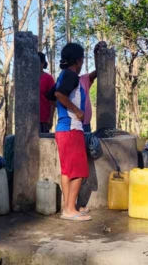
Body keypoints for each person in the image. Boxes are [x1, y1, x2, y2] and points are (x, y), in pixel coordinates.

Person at [53, 43, 92, 221]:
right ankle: (70, 209)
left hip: (62, 129)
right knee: (79, 170)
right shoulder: (72, 75)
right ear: (78, 60)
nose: (83, 63)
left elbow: (51, 94)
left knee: (67, 170)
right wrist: (76, 110)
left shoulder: (62, 75)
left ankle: (68, 207)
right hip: (71, 128)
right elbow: (60, 95)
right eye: (82, 59)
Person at [79, 41, 107, 132]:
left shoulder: (83, 80)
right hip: (74, 124)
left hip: (86, 123)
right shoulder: (64, 81)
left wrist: (96, 54)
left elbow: (99, 71)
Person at [39, 52, 56, 133]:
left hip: (43, 119)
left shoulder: (48, 79)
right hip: (30, 119)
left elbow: (53, 100)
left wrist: (50, 118)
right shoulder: (29, 79)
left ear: (42, 64)